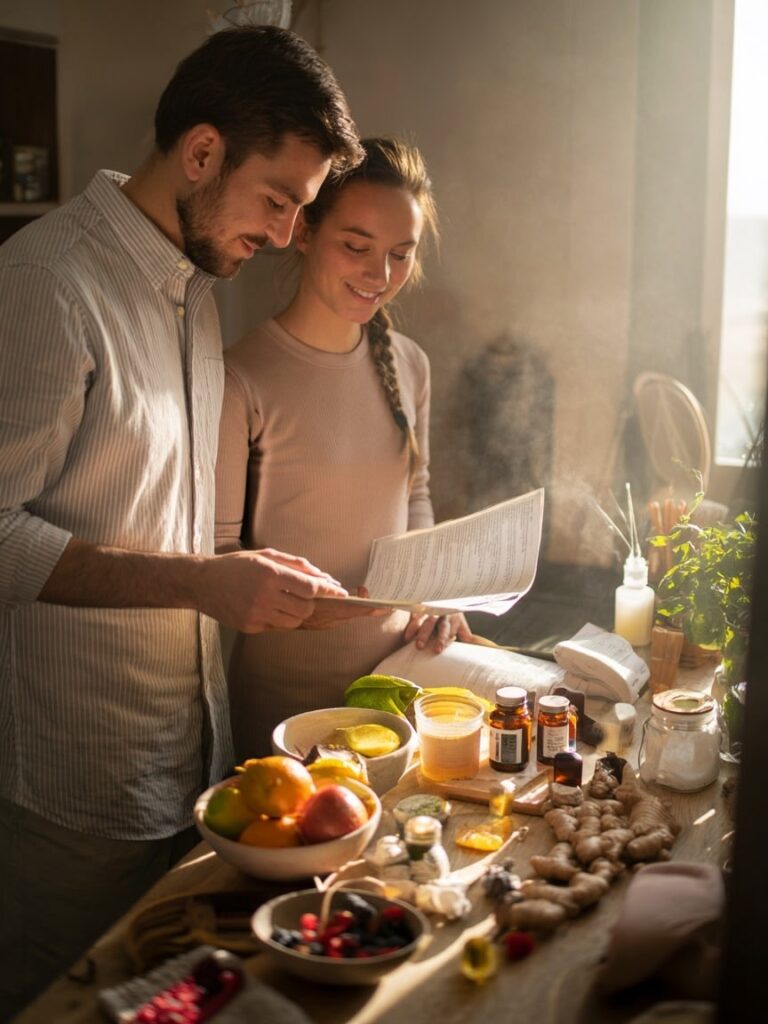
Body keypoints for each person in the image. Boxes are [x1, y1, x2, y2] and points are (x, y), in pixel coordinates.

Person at [0, 26, 365, 1016]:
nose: (290, 235)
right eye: (280, 199)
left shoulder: (197, 293)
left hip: (189, 765)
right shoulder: (46, 286)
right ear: (202, 154)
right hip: (78, 789)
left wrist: (245, 568)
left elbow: (154, 516)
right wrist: (204, 584)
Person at [215, 137, 472, 760]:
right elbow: (219, 555)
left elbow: (414, 492)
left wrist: (431, 591)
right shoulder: (240, 377)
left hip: (394, 683)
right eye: (356, 247)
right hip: (282, 707)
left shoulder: (409, 363)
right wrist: (299, 605)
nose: (379, 276)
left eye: (400, 255)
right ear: (303, 230)